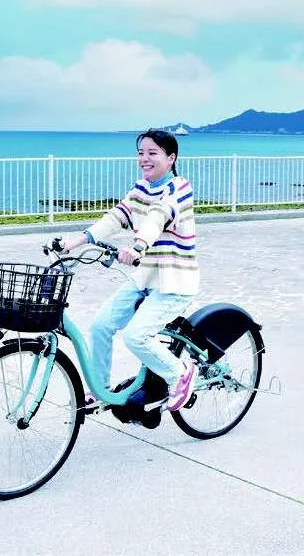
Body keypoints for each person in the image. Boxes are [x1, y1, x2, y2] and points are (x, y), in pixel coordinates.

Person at [58, 129, 199, 411]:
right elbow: (116, 217)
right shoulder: (140, 188)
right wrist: (74, 241)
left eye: (152, 153)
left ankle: (181, 374)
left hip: (174, 282)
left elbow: (159, 215)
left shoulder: (178, 188)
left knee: (136, 336)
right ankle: (99, 389)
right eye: (140, 153)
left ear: (171, 158)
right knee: (100, 326)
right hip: (145, 278)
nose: (144, 159)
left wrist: (138, 246)